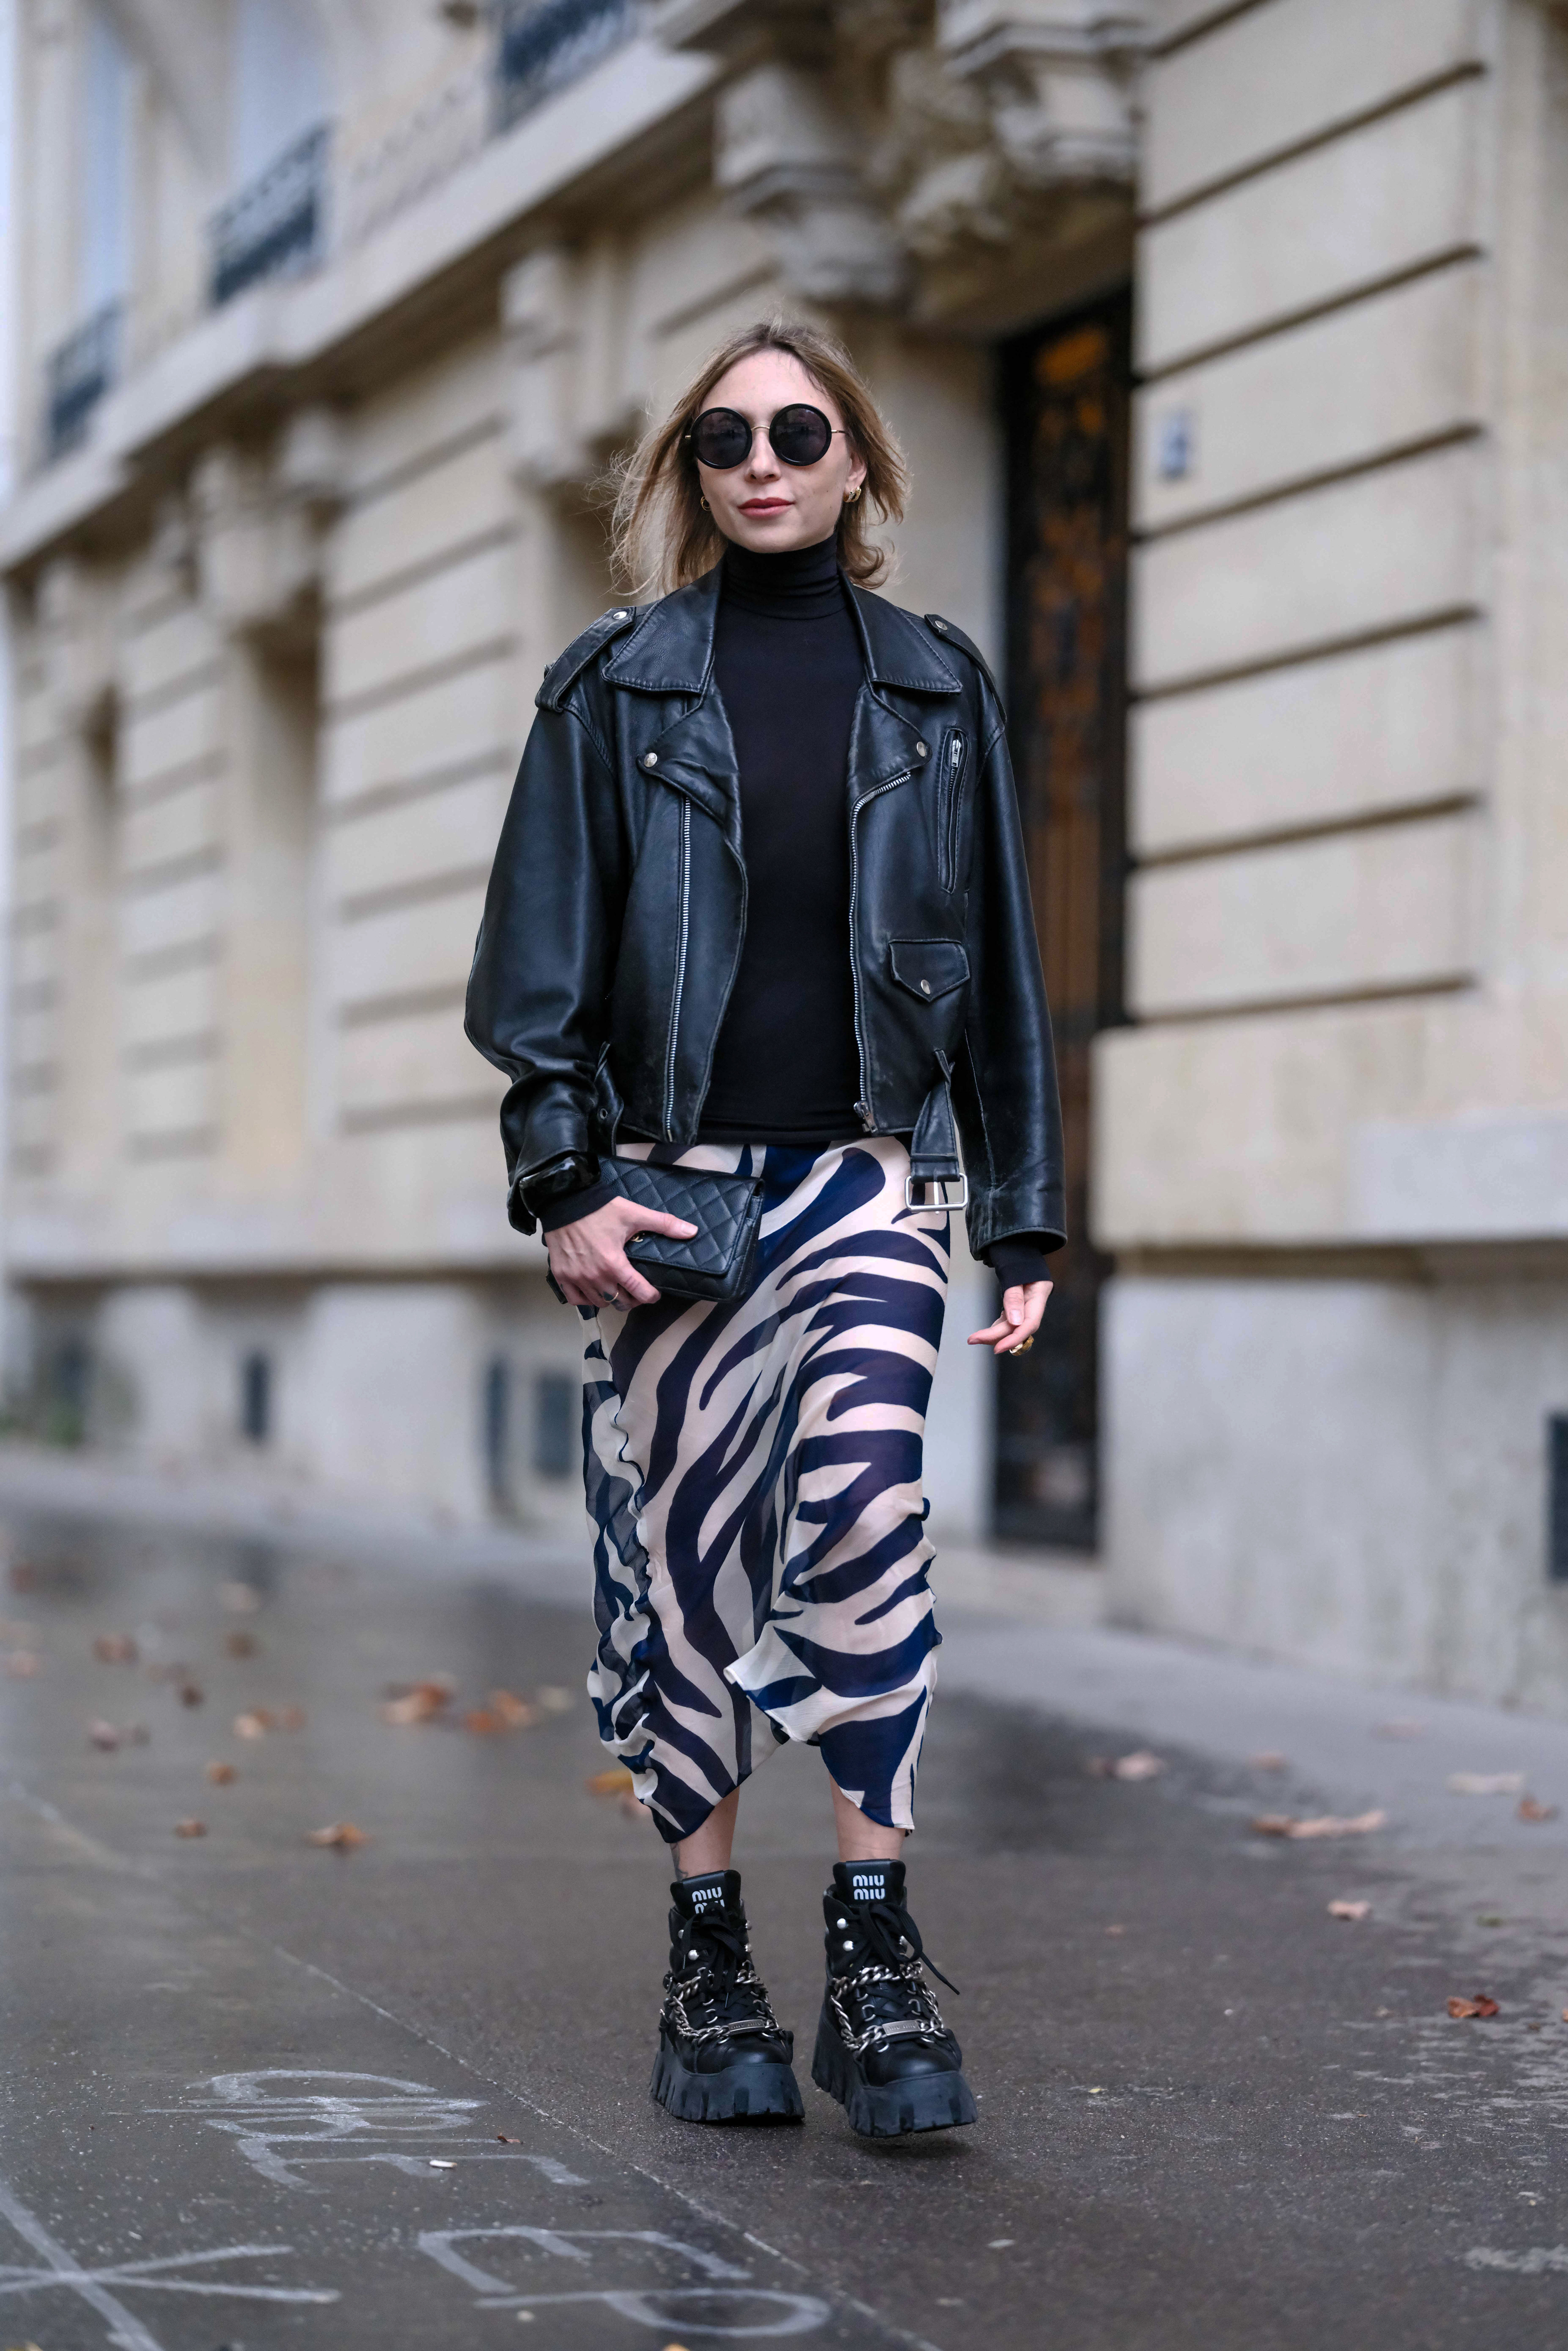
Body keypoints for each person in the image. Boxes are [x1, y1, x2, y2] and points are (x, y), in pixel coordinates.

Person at [465, 318, 1064, 2138]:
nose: (764, 459)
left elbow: (1006, 980)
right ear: (691, 469)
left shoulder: (938, 685)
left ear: (863, 460)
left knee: (873, 1505)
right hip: (672, 1193)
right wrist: (566, 1177)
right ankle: (709, 1956)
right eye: (724, 436)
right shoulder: (614, 684)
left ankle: (874, 1942)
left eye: (801, 428)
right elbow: (533, 969)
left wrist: (1022, 1216)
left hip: (871, 1185)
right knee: (685, 1576)